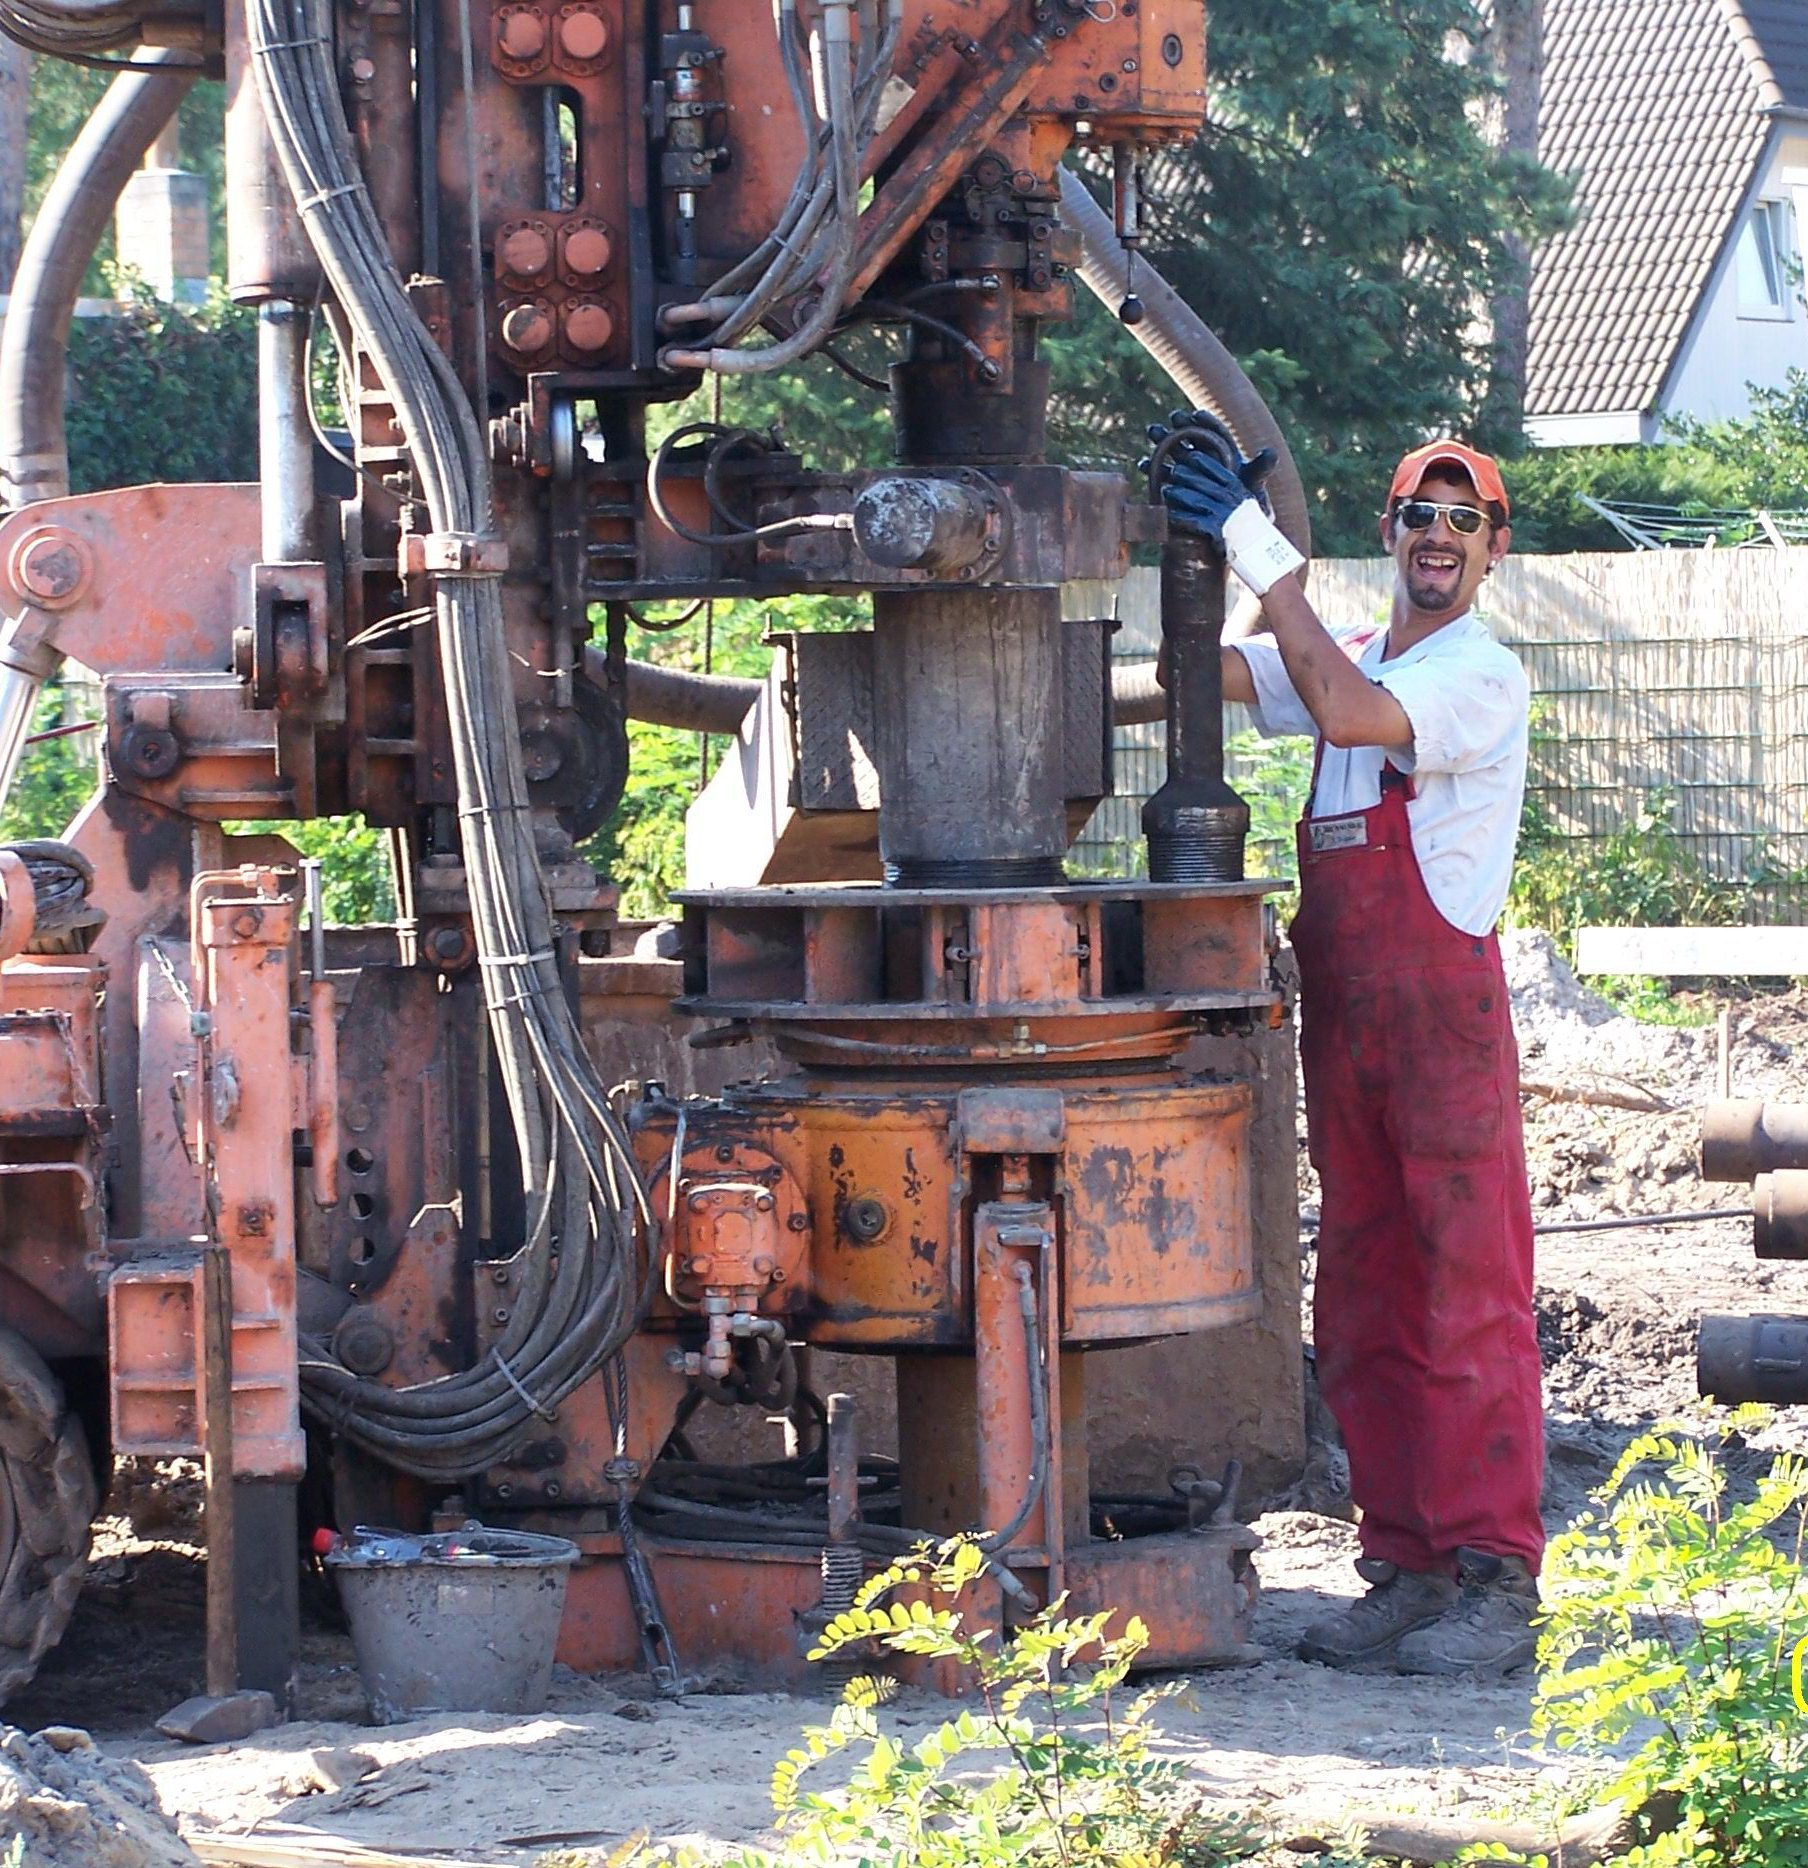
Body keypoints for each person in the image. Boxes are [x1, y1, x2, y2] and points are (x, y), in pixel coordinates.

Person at [1160, 430, 1544, 1679]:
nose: (1437, 534)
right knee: (1368, 1292)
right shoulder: (1360, 651)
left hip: (1441, 1026)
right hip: (1352, 1026)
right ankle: (1406, 1565)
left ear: (1492, 549)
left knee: (1465, 1289)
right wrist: (1188, 553)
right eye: (1417, 511)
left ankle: (1493, 1577)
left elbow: (1339, 709)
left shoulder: (1476, 675)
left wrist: (1251, 538)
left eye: (1462, 518)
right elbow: (1209, 669)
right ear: (1388, 532)